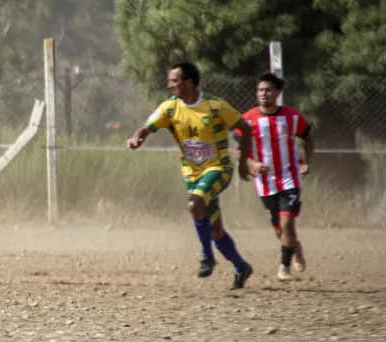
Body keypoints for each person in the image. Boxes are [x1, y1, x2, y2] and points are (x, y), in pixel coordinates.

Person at [126, 61, 255, 291]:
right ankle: (241, 267)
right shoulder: (170, 108)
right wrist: (137, 138)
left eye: (174, 81)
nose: (170, 85)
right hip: (192, 173)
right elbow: (146, 128)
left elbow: (244, 128)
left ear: (189, 83)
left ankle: (207, 257)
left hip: (219, 168)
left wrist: (244, 162)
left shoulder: (215, 106)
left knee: (194, 204)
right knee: (215, 229)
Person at [239, 73, 313, 282]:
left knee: (287, 221)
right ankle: (295, 247)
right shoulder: (247, 120)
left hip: (290, 176)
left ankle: (284, 268)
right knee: (280, 231)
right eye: (260, 90)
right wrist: (252, 164)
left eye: (268, 90)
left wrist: (306, 161)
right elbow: (239, 150)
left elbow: (308, 139)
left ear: (277, 93)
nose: (264, 94)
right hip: (265, 182)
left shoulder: (292, 117)